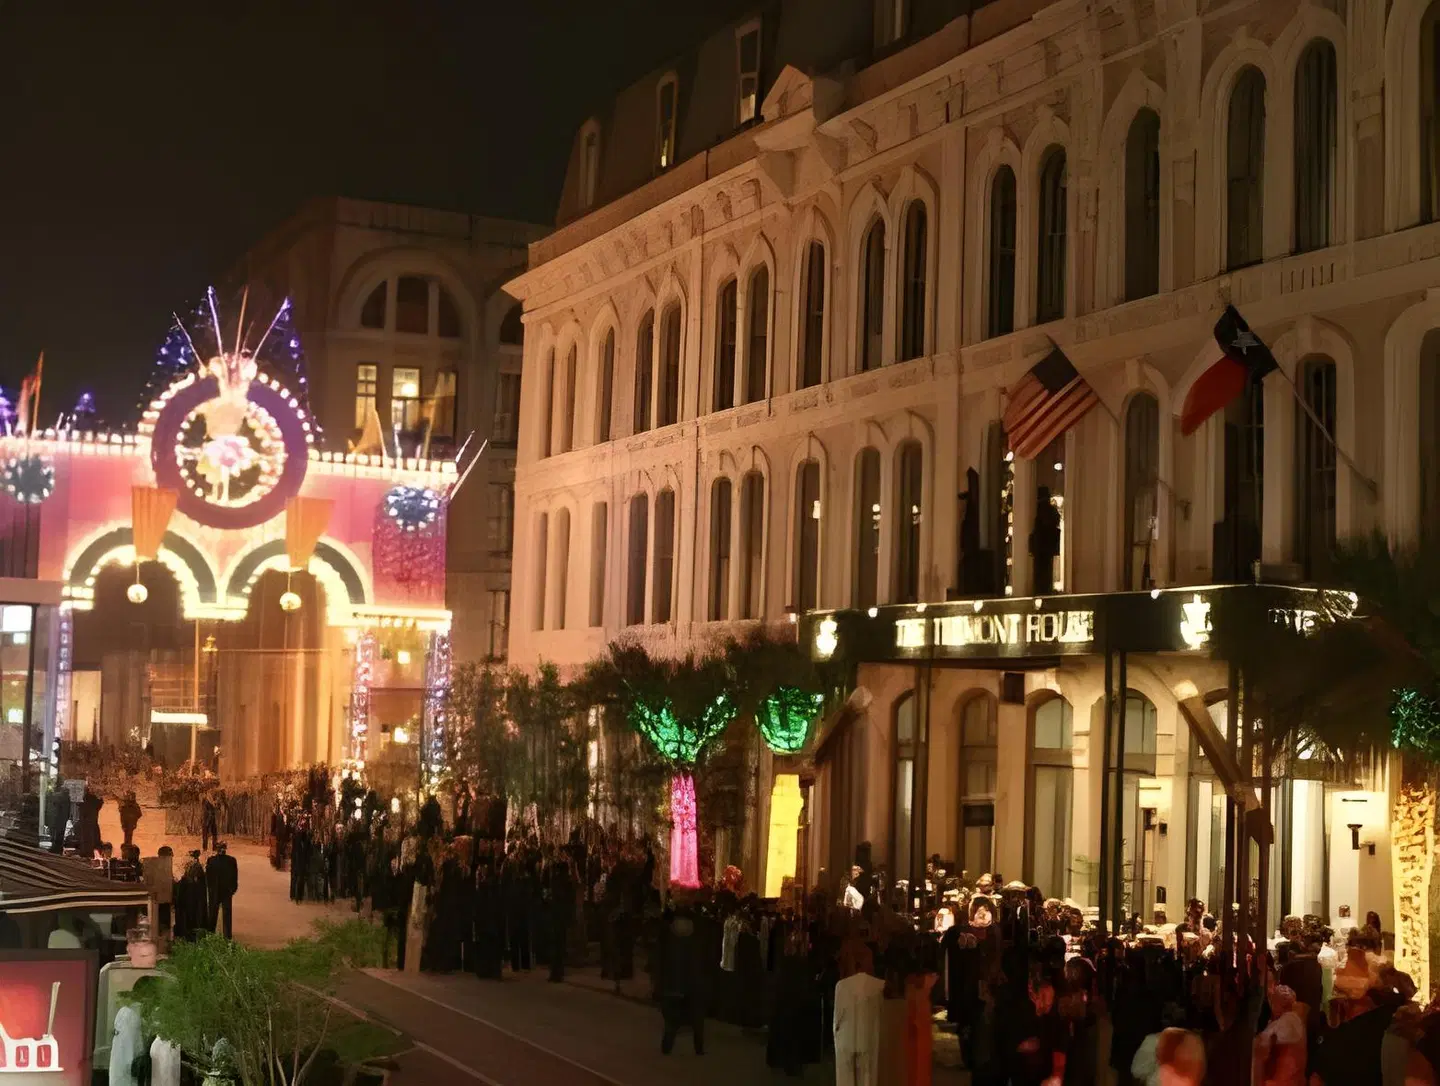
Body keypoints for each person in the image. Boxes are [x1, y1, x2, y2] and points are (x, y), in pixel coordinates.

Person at [658, 904, 706, 1056]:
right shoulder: (695, 938)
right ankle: (698, 1048)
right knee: (696, 1020)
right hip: (691, 985)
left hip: (674, 985)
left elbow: (661, 962)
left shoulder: (669, 937)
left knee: (672, 1020)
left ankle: (667, 1046)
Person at [835, 948, 887, 1086]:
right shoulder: (878, 985)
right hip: (868, 1035)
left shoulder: (842, 985)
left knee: (846, 1076)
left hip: (847, 1037)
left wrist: (836, 1033)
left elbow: (837, 1016)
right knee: (867, 1075)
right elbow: (881, 1010)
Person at [1254, 984, 1306, 1086]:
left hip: (1283, 1080)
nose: (1271, 1004)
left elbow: (1262, 1041)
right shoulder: (1292, 1019)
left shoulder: (1288, 1020)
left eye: (1273, 1001)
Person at [205, 841, 239, 938]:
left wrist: (210, 888)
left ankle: (210, 934)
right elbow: (235, 877)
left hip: (216, 890)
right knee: (226, 914)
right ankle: (227, 936)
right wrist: (232, 889)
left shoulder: (211, 860)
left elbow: (208, 876)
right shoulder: (231, 860)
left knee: (213, 913)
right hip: (226, 891)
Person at [144, 845, 175, 935]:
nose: (172, 856)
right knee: (161, 927)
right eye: (170, 855)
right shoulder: (156, 867)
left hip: (163, 901)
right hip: (158, 901)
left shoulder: (163, 867)